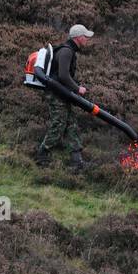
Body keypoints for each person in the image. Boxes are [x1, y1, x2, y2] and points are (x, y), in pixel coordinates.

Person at [36, 24, 95, 169]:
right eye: (85, 37)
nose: (87, 39)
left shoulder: (69, 51)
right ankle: (42, 155)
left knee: (71, 126)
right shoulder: (67, 52)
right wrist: (77, 88)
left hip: (62, 94)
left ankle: (77, 161)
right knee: (59, 124)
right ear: (78, 37)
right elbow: (63, 75)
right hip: (57, 95)